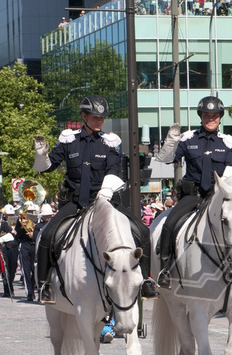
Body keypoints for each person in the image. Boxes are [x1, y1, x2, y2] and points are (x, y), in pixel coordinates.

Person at [32, 95, 158, 304]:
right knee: (47, 236)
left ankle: (145, 280)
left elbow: (114, 169)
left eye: (102, 117)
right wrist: (40, 155)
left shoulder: (110, 142)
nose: (99, 121)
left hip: (105, 200)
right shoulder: (68, 140)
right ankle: (45, 285)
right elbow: (46, 167)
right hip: (75, 202)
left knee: (142, 231)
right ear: (83, 116)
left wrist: (106, 191)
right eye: (95, 117)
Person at [155, 96, 232, 289]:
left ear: (220, 117)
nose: (211, 118)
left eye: (215, 115)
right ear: (201, 116)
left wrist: (224, 190)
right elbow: (167, 160)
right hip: (193, 196)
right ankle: (165, 268)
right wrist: (170, 142)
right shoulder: (188, 139)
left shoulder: (228, 143)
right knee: (169, 223)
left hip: (216, 196)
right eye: (207, 115)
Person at [15, 208, 37, 301]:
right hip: (24, 244)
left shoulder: (37, 220)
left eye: (31, 212)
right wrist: (21, 227)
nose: (29, 213)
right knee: (26, 270)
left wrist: (34, 233)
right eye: (28, 212)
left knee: (34, 269)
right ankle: (29, 293)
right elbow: (17, 236)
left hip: (34, 245)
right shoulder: (19, 221)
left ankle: (33, 287)